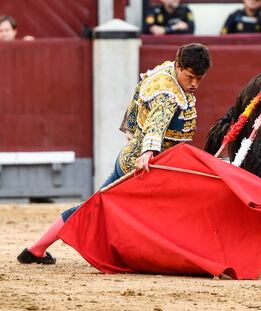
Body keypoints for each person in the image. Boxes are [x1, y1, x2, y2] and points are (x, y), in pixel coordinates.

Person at [17, 43, 212, 265]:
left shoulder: (165, 71)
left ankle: (37, 248)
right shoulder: (168, 93)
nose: (195, 83)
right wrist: (147, 151)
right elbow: (158, 122)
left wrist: (131, 130)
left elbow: (138, 94)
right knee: (95, 209)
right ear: (179, 66)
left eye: (200, 79)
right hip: (142, 167)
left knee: (97, 208)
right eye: (190, 77)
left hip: (147, 163)